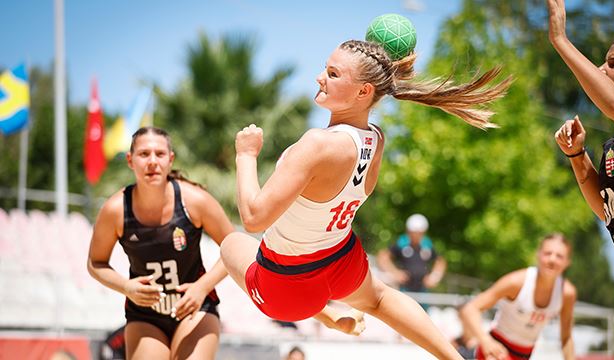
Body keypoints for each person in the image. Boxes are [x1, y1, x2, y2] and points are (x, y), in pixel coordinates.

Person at [220, 38, 511, 359]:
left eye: (332, 73)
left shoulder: (317, 144)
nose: (319, 77)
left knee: (231, 243)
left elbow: (253, 218)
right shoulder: (376, 138)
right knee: (380, 300)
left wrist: (245, 156)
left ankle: (324, 313)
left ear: (364, 92)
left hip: (289, 286)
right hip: (342, 262)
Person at [87, 127, 234, 360]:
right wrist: (126, 287)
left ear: (170, 159)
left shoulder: (194, 201)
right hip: (145, 316)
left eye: (160, 154)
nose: (152, 161)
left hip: (194, 308)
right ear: (130, 160)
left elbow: (236, 248)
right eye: (144, 154)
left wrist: (202, 286)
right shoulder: (115, 210)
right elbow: (95, 263)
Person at [547, 0, 614, 357]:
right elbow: (607, 211)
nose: (601, 69)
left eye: (613, 64)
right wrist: (576, 156)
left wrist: (560, 39)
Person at [458, 233, 577, 360]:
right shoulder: (516, 282)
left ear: (567, 262)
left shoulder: (567, 293)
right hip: (495, 352)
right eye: (548, 253)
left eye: (559, 256)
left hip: (525, 355)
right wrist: (485, 340)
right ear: (538, 254)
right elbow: (470, 308)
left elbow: (566, 337)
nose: (552, 259)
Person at [377, 214, 447, 294]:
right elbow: (383, 256)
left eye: (420, 233)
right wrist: (395, 273)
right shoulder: (401, 243)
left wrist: (434, 277)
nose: (416, 235)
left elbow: (440, 261)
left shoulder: (427, 244)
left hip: (423, 290)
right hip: (404, 289)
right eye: (414, 232)